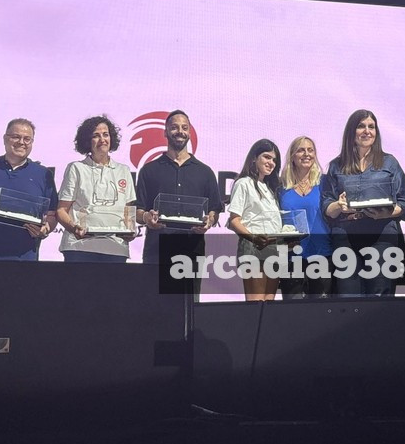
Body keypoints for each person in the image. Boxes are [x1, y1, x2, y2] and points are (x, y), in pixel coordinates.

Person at [321, 110, 405, 298]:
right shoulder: (336, 165)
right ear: (351, 131)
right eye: (361, 126)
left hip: (382, 235)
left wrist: (386, 213)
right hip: (346, 237)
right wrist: (338, 205)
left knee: (380, 296)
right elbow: (327, 206)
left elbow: (404, 201)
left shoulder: (389, 163)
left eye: (371, 127)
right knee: (348, 296)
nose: (367, 131)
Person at [136, 110, 223, 297]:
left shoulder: (205, 172)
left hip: (191, 252)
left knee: (189, 308)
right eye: (174, 127)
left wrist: (209, 221)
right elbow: (138, 210)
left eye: (184, 128)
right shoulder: (148, 171)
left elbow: (214, 210)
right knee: (153, 308)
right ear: (165, 132)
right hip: (156, 251)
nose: (180, 132)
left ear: (190, 133)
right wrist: (146, 217)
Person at [0, 118, 58, 265]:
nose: (21, 142)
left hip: (24, 259)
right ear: (5, 139)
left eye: (27, 139)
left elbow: (51, 214)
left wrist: (45, 229)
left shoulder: (43, 174)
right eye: (16, 137)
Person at [56, 115, 136, 262]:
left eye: (106, 134)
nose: (102, 140)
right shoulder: (76, 168)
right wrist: (74, 228)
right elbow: (61, 210)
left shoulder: (123, 170)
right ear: (87, 141)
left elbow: (128, 211)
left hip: (115, 249)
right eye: (96, 136)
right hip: (79, 248)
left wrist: (130, 231)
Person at [227, 139, 283, 301]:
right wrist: (253, 238)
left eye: (274, 160)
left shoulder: (270, 188)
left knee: (269, 305)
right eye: (267, 157)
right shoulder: (243, 183)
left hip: (273, 249)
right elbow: (234, 220)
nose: (271, 163)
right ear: (254, 158)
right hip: (253, 248)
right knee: (256, 305)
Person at [278, 136, 333, 299]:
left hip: (321, 253)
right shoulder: (280, 186)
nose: (306, 154)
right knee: (294, 310)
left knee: (322, 310)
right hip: (291, 255)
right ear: (292, 156)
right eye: (301, 150)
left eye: (310, 150)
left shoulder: (325, 182)